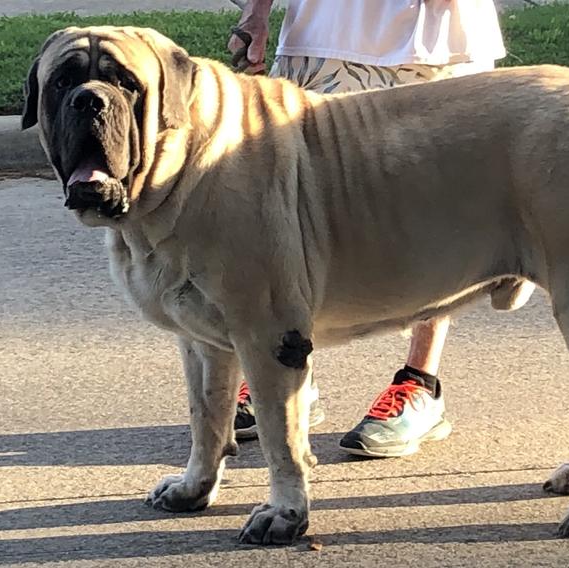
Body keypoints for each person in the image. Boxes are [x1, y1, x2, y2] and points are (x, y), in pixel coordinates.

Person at [227, 0, 505, 457]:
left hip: (434, 43)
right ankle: (291, 365)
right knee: (301, 205)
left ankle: (420, 383)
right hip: (322, 36)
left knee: (435, 213)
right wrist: (254, 15)